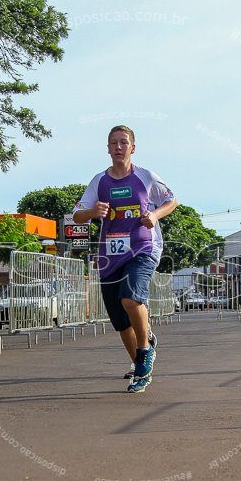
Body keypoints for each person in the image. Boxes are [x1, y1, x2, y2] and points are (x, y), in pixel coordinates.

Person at [72, 126, 178, 393]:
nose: (118, 147)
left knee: (131, 298)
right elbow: (77, 215)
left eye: (124, 142)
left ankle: (144, 353)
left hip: (143, 248)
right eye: (113, 143)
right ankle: (141, 368)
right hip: (110, 255)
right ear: (108, 149)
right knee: (121, 322)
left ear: (133, 147)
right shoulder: (99, 182)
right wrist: (92, 212)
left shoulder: (145, 177)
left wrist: (154, 216)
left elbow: (171, 200)